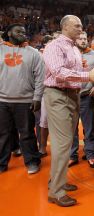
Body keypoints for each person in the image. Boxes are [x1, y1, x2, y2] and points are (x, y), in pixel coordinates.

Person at [43, 15, 94, 207]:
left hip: (72, 95)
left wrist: (83, 68)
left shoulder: (73, 47)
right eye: (76, 25)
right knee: (63, 144)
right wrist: (88, 75)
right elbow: (58, 72)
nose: (81, 28)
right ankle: (56, 192)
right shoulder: (55, 45)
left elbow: (72, 70)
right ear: (65, 27)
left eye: (81, 25)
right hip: (58, 94)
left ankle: (57, 181)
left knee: (66, 142)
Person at [0, 23, 44, 174]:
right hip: (2, 100)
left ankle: (32, 161)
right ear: (9, 33)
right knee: (3, 134)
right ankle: (1, 163)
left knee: (27, 133)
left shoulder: (33, 53)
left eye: (24, 32)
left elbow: (40, 77)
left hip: (25, 100)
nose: (22, 34)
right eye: (18, 31)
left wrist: (37, 97)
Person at [69, 31, 94, 168]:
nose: (82, 41)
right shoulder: (69, 53)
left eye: (84, 38)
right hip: (70, 95)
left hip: (87, 96)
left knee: (89, 127)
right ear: (75, 40)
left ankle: (91, 154)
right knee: (71, 128)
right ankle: (72, 155)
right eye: (79, 38)